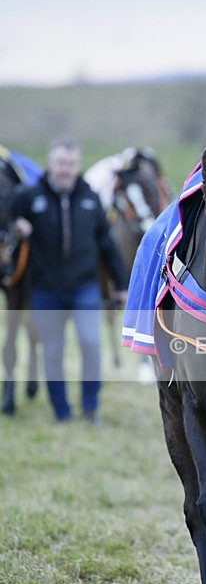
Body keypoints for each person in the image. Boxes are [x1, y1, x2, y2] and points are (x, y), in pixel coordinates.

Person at [10, 138, 128, 423]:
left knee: (90, 343)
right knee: (53, 352)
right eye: (61, 163)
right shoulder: (29, 196)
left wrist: (122, 284)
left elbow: (107, 245)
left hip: (84, 288)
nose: (65, 169)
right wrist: (16, 223)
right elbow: (8, 213)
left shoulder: (89, 199)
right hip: (45, 290)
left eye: (71, 164)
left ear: (78, 167)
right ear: (50, 164)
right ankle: (61, 411)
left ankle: (90, 408)